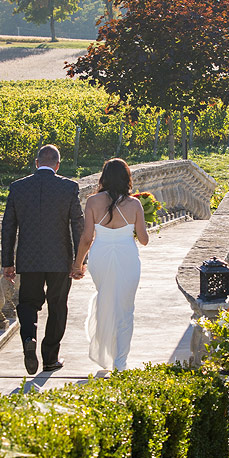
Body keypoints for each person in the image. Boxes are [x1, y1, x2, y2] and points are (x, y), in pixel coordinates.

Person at [1, 144, 84, 375]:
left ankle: (29, 337)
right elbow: (78, 225)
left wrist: (8, 261)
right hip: (60, 259)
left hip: (29, 260)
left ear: (37, 163)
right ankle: (50, 358)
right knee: (58, 306)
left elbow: (8, 226)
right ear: (58, 165)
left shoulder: (18, 188)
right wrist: (79, 261)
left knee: (28, 303)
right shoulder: (68, 187)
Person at [72, 158, 149, 372]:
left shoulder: (93, 202)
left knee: (106, 296)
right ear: (126, 178)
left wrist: (78, 265)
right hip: (127, 256)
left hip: (101, 256)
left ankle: (107, 351)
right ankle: (120, 361)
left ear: (104, 177)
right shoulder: (134, 204)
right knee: (125, 309)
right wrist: (136, 226)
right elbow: (144, 240)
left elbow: (87, 238)